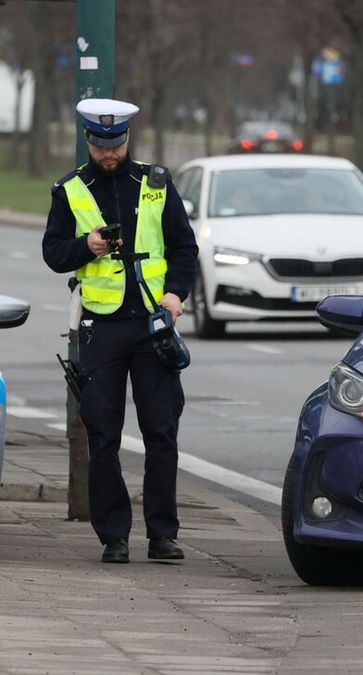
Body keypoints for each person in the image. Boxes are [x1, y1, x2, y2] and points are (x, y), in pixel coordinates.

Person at [42, 98, 198, 564]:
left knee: (161, 431)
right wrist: (87, 246)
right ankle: (113, 535)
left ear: (127, 139)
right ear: (88, 141)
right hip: (101, 328)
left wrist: (176, 295)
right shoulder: (69, 190)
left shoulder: (155, 184)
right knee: (104, 435)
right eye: (100, 145)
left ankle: (162, 534)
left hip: (152, 324)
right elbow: (54, 254)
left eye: (116, 144)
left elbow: (184, 249)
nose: (109, 153)